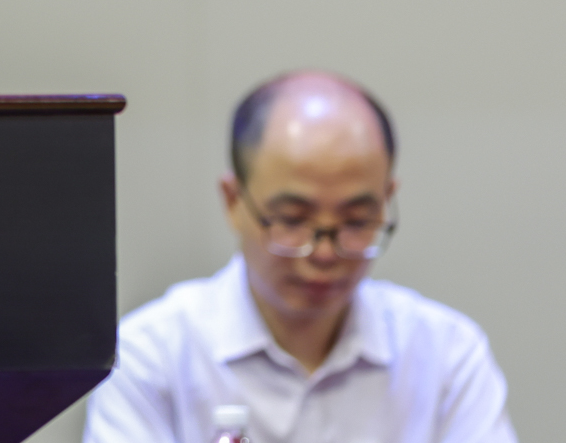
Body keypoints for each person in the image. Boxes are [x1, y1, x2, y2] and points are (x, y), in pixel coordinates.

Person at [85, 71, 515, 442]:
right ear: (233, 201)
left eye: (356, 220)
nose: (324, 253)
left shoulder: (446, 356)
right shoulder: (152, 357)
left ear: (387, 200)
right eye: (292, 219)